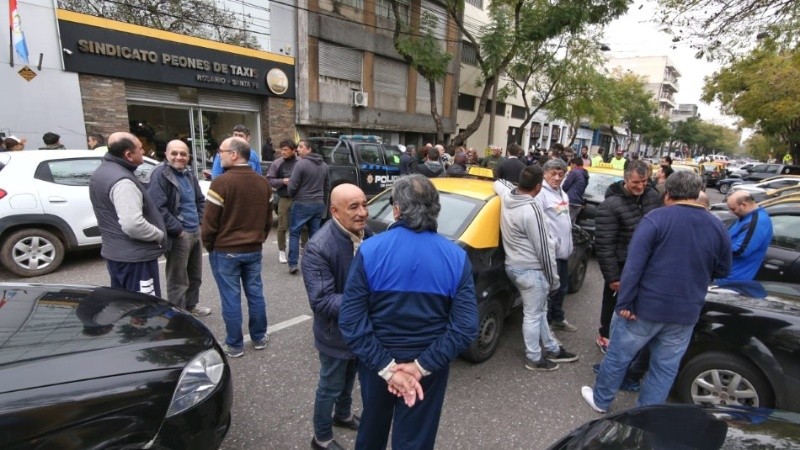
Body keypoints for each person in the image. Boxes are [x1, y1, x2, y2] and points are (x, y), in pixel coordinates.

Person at [339, 175, 478, 450]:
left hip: (376, 360)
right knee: (415, 439)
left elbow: (352, 320)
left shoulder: (370, 250)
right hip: (428, 365)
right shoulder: (455, 257)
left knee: (372, 426)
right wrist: (420, 367)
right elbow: (465, 327)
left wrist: (389, 370)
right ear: (435, 209)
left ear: (397, 209)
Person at [581, 171, 731, 413]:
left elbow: (633, 265)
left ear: (668, 193)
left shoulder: (656, 219)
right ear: (697, 192)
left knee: (618, 357)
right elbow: (724, 268)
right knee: (664, 368)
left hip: (643, 308)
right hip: (685, 311)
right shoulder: (717, 225)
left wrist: (625, 303)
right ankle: (646, 413)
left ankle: (601, 400)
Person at [303, 183, 372, 450]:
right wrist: (370, 301)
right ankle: (321, 437)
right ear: (334, 211)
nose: (363, 212)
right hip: (334, 334)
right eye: (353, 207)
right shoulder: (319, 247)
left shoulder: (369, 234)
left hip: (360, 331)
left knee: (350, 377)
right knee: (330, 385)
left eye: (364, 204)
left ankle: (342, 415)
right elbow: (321, 301)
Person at [495, 167, 578, 371]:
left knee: (540, 311)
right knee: (533, 314)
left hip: (513, 266)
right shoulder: (532, 210)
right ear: (539, 187)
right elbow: (544, 249)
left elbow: (498, 182)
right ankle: (534, 357)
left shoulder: (509, 196)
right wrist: (554, 280)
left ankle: (552, 348)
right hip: (531, 271)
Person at [201, 137, 272, 358]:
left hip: (225, 250)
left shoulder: (221, 182)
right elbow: (268, 220)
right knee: (256, 294)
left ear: (233, 154)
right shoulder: (263, 183)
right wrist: (259, 238)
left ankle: (235, 345)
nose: (218, 155)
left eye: (220, 151)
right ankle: (259, 337)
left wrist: (210, 245)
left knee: (230, 297)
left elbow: (210, 222)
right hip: (253, 249)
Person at [594, 160, 662, 353]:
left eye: (644, 181)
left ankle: (631, 339)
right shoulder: (610, 205)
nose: (641, 186)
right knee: (613, 302)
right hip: (622, 265)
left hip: (647, 263)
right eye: (636, 183)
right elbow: (604, 243)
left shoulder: (653, 196)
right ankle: (605, 336)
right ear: (625, 180)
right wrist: (612, 277)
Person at [89, 132, 167, 296]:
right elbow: (133, 224)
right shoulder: (123, 182)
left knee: (125, 306)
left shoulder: (102, 172)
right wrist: (158, 234)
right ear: (129, 155)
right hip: (135, 259)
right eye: (140, 149)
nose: (144, 152)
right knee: (144, 310)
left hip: (117, 254)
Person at [147, 139, 211, 316]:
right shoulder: (160, 174)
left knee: (195, 275)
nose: (179, 157)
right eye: (174, 153)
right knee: (178, 278)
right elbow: (157, 207)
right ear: (166, 154)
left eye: (183, 154)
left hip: (194, 230)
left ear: (189, 156)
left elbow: (199, 200)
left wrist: (199, 222)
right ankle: (178, 313)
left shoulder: (188, 174)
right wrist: (178, 229)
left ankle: (191, 306)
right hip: (179, 234)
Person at [536, 159, 577, 332]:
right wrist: (552, 243)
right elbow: (539, 224)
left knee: (562, 289)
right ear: (545, 173)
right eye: (554, 173)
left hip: (564, 251)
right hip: (552, 252)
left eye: (561, 174)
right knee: (551, 291)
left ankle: (558, 318)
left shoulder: (561, 192)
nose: (558, 177)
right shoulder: (541, 194)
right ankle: (546, 327)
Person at [287, 139, 330, 274]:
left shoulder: (301, 164)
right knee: (315, 235)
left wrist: (292, 195)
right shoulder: (324, 166)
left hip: (302, 203)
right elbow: (327, 187)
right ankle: (317, 263)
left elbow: (292, 185)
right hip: (318, 204)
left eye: (301, 147)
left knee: (295, 233)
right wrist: (322, 201)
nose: (297, 149)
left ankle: (293, 264)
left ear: (309, 149)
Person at [715, 191, 773, 282]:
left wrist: (714, 244)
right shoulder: (746, 218)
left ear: (744, 205)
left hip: (732, 279)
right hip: (725, 275)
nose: (731, 212)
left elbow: (741, 250)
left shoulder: (757, 221)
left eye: (733, 209)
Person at [266, 139, 305, 264]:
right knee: (282, 226)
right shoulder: (277, 163)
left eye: (286, 150)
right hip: (284, 198)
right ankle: (282, 251)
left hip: (300, 198)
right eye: (281, 150)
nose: (283, 152)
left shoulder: (301, 162)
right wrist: (282, 181)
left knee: (303, 225)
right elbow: (269, 179)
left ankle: (303, 248)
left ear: (294, 150)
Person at [562, 156, 589, 225]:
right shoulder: (585, 173)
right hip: (578, 203)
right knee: (572, 223)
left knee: (559, 219)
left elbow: (565, 186)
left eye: (571, 165)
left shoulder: (574, 172)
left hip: (569, 201)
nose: (570, 167)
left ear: (574, 164)